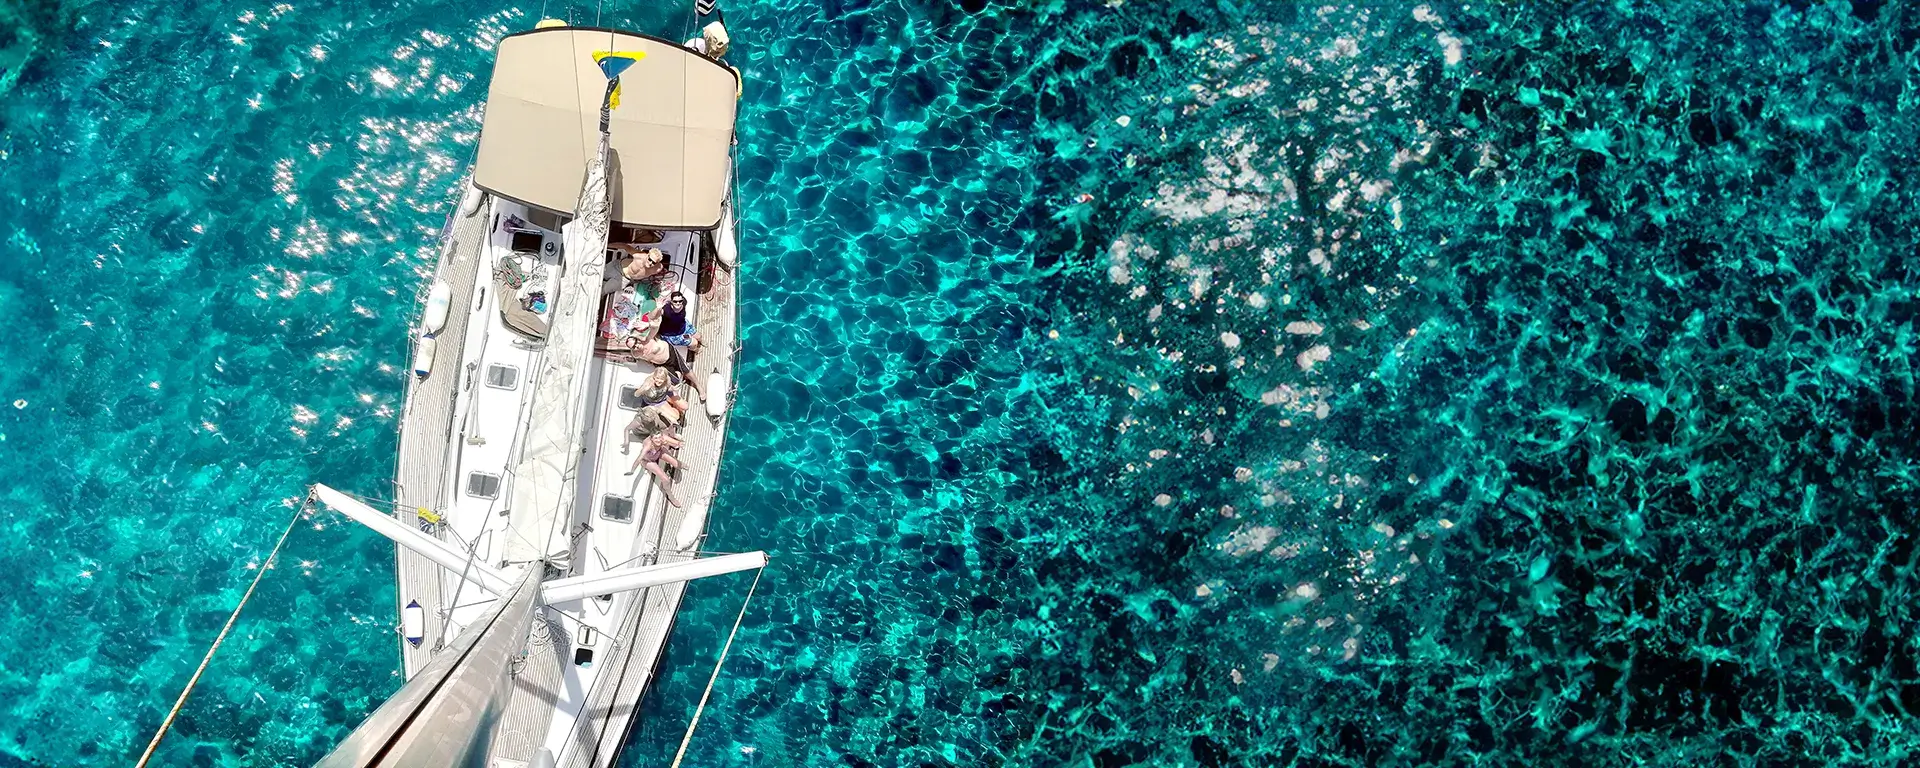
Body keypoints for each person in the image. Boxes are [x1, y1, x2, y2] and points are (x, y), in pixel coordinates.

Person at [624, 431, 686, 507]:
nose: (659, 440)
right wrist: (632, 471)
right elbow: (638, 459)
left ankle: (679, 464)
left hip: (659, 452)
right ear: (651, 439)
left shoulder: (662, 438)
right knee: (665, 479)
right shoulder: (647, 446)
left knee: (677, 465)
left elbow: (674, 441)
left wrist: (679, 444)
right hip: (648, 461)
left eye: (660, 437)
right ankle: (671, 496)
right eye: (656, 438)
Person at [634, 337, 705, 401]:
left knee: (686, 370)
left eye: (635, 343)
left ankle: (699, 386)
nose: (636, 346)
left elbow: (655, 327)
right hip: (661, 364)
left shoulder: (649, 339)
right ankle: (681, 376)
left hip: (670, 354)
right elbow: (636, 394)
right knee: (676, 381)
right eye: (633, 346)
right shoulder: (637, 353)